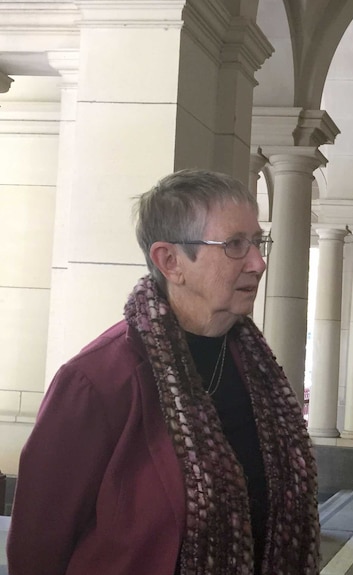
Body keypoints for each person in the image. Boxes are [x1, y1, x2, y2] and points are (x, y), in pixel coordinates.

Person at [7, 169, 319, 575]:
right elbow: (38, 547)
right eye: (235, 245)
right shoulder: (96, 382)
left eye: (258, 242)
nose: (258, 263)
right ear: (170, 261)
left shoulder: (258, 370)